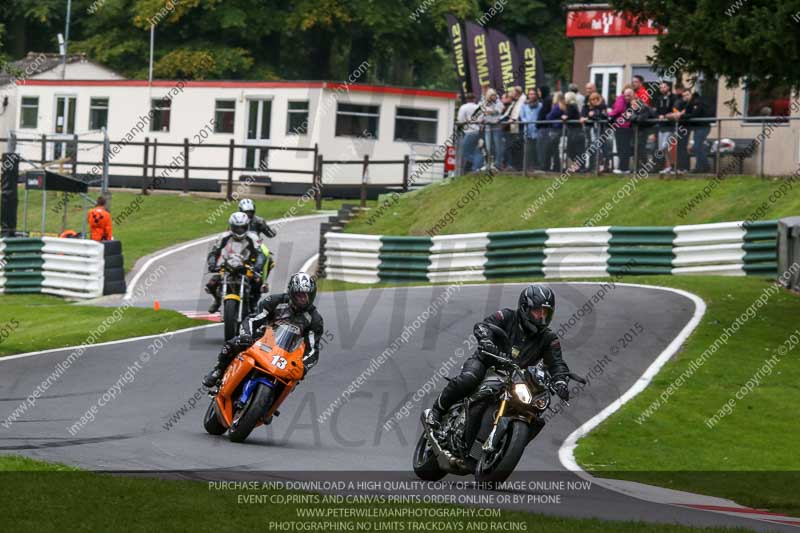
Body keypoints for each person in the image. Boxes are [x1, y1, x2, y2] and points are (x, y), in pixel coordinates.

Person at [426, 284, 571, 427]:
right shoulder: (507, 316)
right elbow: (484, 326)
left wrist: (561, 382)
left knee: (535, 412)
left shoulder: (549, 338)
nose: (542, 317)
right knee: (468, 379)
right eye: (537, 311)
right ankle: (437, 411)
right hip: (487, 363)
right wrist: (486, 341)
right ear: (525, 308)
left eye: (546, 312)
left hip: (516, 379)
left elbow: (557, 363)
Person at [203, 272, 324, 387]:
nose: (303, 299)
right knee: (235, 343)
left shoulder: (315, 319)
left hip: (288, 353)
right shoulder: (275, 301)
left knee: (293, 379)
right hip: (263, 339)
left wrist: (303, 367)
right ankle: (218, 370)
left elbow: (312, 350)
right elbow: (253, 319)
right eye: (299, 295)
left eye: (307, 295)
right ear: (291, 293)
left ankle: (271, 405)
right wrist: (247, 335)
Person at [205, 212, 264, 314]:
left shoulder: (253, 237)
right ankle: (218, 300)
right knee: (211, 284)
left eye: (242, 227)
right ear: (231, 227)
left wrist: (257, 266)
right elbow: (214, 252)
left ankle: (253, 304)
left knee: (258, 281)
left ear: (247, 226)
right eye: (237, 228)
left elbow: (260, 254)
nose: (239, 230)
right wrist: (212, 264)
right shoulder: (223, 237)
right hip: (227, 265)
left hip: (246, 266)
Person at [682, 90, 713, 173]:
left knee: (697, 147)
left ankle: (703, 166)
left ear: (691, 94)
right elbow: (688, 113)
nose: (685, 97)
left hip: (703, 127)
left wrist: (682, 116)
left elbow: (695, 114)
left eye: (687, 95)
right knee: (697, 147)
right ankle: (701, 167)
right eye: (684, 96)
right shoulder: (690, 103)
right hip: (698, 127)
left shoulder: (697, 102)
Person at [580, 91, 610, 172]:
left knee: (603, 149)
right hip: (590, 131)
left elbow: (603, 117)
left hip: (601, 131)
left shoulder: (602, 106)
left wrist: (592, 115)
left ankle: (604, 166)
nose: (594, 101)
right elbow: (583, 116)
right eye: (592, 99)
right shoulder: (586, 107)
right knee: (591, 148)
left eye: (596, 99)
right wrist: (587, 117)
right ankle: (591, 166)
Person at [609, 86, 634, 173]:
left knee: (624, 148)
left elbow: (619, 110)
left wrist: (610, 115)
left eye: (629, 95)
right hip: (620, 126)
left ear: (632, 95)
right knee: (621, 148)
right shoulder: (622, 100)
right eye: (626, 95)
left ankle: (624, 168)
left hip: (626, 127)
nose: (627, 97)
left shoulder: (633, 103)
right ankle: (622, 167)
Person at [456, 93, 483, 173]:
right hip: (478, 131)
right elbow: (481, 119)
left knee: (465, 152)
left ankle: (478, 165)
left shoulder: (463, 107)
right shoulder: (478, 107)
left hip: (469, 132)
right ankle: (476, 168)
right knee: (476, 151)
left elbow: (460, 119)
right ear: (474, 99)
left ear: (467, 99)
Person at [654, 81, 677, 173]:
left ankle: (675, 166)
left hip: (670, 126)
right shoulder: (659, 98)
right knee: (662, 148)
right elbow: (656, 110)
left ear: (668, 87)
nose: (662, 89)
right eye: (660, 87)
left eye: (664, 87)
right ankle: (670, 166)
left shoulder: (674, 98)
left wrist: (667, 115)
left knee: (665, 146)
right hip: (661, 126)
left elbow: (675, 110)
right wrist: (658, 115)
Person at [480, 88, 503, 170]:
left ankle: (497, 164)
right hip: (487, 126)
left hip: (496, 126)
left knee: (497, 146)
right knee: (488, 146)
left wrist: (489, 111)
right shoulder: (484, 102)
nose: (494, 96)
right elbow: (481, 110)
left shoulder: (498, 102)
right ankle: (487, 164)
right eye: (492, 95)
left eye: (495, 95)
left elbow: (498, 110)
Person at [519, 88, 542, 172]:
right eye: (530, 94)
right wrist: (526, 122)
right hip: (527, 130)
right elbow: (522, 117)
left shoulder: (540, 105)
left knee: (536, 149)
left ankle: (537, 166)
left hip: (537, 130)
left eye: (533, 94)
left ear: (536, 95)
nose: (532, 95)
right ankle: (528, 167)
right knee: (528, 149)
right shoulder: (524, 105)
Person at [563, 92, 584, 172]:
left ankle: (579, 165)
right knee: (572, 150)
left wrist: (564, 117)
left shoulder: (571, 106)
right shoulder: (572, 106)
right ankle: (578, 165)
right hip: (574, 130)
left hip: (575, 131)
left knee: (573, 150)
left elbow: (567, 116)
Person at [544, 92, 566, 172]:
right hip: (559, 130)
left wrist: (548, 115)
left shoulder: (556, 107)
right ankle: (556, 166)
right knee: (555, 149)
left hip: (555, 130)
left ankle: (555, 167)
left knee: (553, 149)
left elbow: (549, 117)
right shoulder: (563, 106)